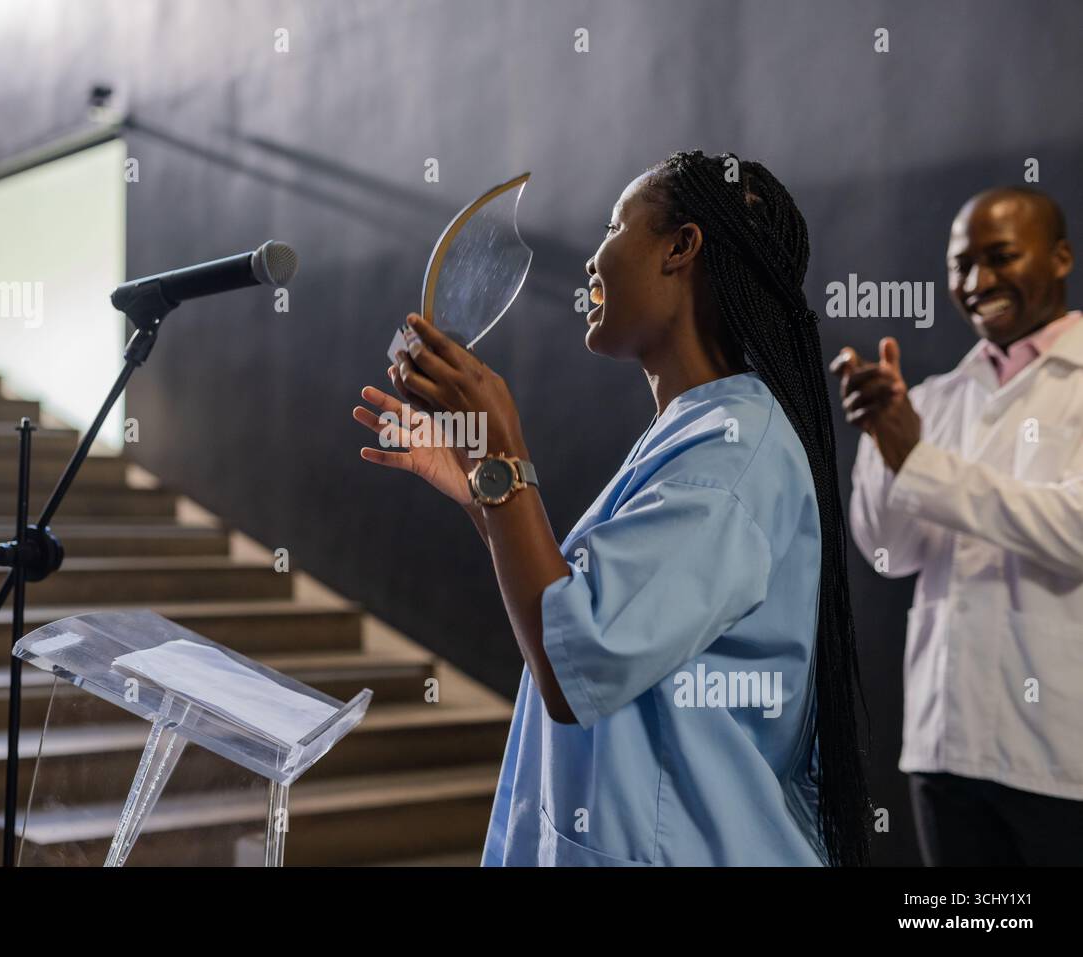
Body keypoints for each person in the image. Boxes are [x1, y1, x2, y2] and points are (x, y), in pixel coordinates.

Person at [353, 150, 871, 865]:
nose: (593, 261)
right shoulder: (701, 430)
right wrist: (479, 478)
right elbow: (582, 611)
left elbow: (577, 661)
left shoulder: (735, 450)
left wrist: (502, 445)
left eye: (613, 226)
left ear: (681, 246)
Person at [833, 186, 1083, 866]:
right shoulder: (932, 400)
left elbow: (1076, 531)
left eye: (1001, 257)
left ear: (1059, 258)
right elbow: (890, 553)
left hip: (1062, 758)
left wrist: (918, 459)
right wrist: (885, 443)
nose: (977, 283)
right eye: (961, 264)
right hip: (945, 746)